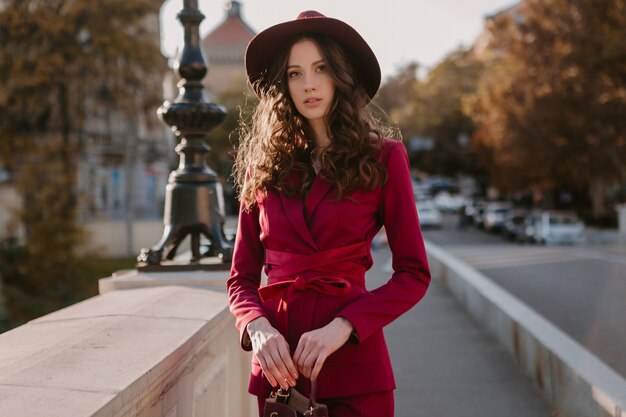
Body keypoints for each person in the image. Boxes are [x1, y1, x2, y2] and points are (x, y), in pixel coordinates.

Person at [227, 11, 431, 417]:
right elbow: (241, 278)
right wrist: (257, 328)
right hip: (279, 373)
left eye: (320, 69)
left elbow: (413, 274)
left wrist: (345, 326)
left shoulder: (384, 158)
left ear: (340, 75)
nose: (309, 84)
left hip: (355, 366)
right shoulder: (263, 167)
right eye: (295, 73)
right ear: (283, 85)